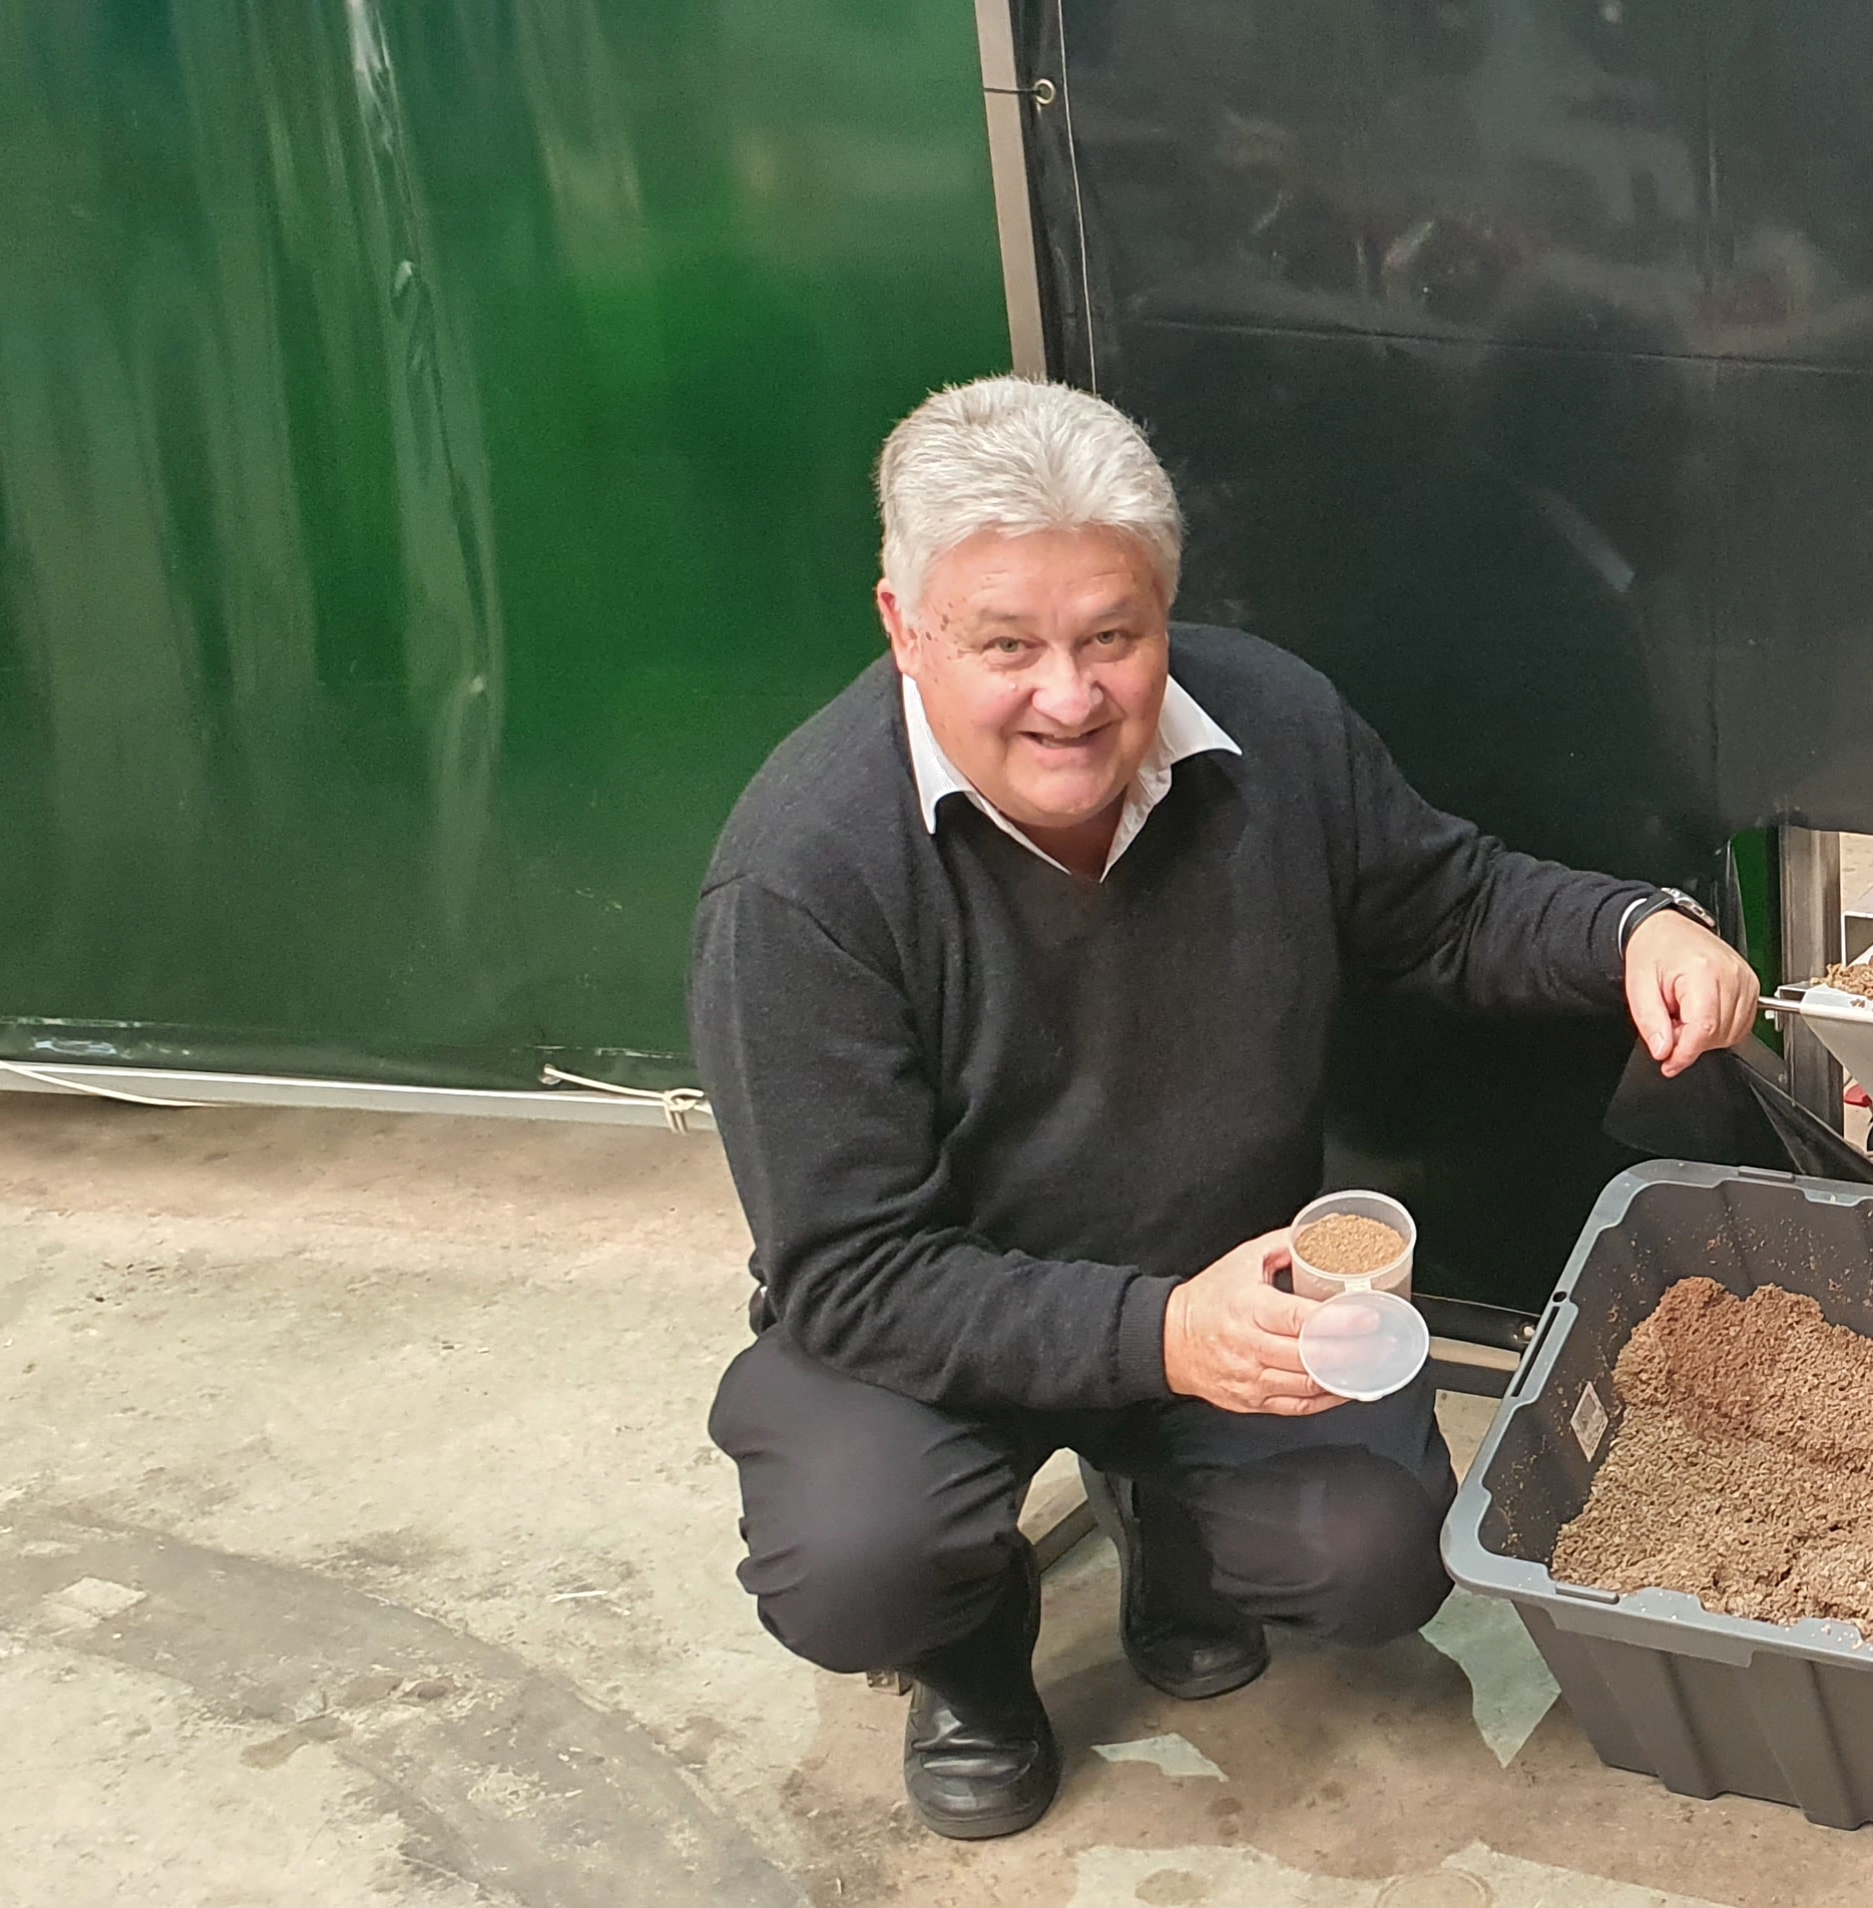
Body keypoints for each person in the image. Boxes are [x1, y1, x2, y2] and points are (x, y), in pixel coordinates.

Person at [688, 376, 1758, 1840]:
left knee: (1381, 1557)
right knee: (857, 1556)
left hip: (1223, 1278)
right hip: (933, 1330)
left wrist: (1635, 929)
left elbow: (1448, 902)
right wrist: (1158, 1335)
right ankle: (971, 1655)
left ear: (1165, 611)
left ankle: (1167, 1527)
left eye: (1112, 636)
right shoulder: (802, 880)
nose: (1070, 697)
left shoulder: (1273, 722)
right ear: (904, 627)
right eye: (1007, 645)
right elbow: (851, 1272)